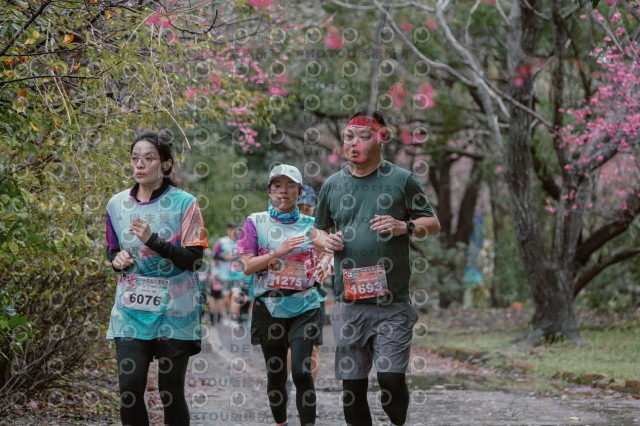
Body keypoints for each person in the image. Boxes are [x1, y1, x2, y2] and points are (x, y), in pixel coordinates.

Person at [312, 111, 441, 426]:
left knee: (390, 380)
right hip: (349, 303)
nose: (353, 143)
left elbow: (433, 223)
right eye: (348, 136)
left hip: (392, 303)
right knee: (352, 389)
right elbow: (317, 231)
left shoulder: (401, 180)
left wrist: (404, 226)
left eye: (363, 136)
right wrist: (327, 241)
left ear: (381, 139)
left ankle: (397, 419)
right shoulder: (332, 185)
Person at [105, 131, 208, 426]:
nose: (139, 164)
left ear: (165, 164)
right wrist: (117, 260)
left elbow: (194, 260)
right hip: (131, 310)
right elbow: (112, 249)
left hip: (177, 309)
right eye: (135, 158)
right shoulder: (116, 204)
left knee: (170, 392)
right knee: (129, 390)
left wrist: (153, 241)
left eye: (148, 158)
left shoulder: (185, 203)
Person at [237, 165, 325, 426]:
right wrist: (278, 252)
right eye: (277, 185)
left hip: (305, 305)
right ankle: (281, 423)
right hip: (269, 307)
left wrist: (326, 263)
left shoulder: (311, 225)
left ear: (299, 192)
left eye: (290, 186)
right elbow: (247, 266)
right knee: (276, 376)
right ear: (269, 191)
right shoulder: (255, 222)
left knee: (301, 370)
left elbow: (330, 248)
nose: (283, 191)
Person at [214, 222, 244, 321]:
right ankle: (226, 312)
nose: (233, 231)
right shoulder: (221, 241)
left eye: (235, 229)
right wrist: (225, 257)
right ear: (228, 230)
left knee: (236, 296)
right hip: (224, 275)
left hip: (237, 275)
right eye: (231, 229)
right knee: (226, 299)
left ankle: (235, 319)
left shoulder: (241, 242)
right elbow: (215, 255)